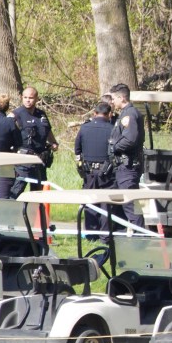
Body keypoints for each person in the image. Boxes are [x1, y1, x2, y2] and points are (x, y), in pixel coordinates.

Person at [74, 102, 116, 234]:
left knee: (90, 200)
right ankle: (105, 234)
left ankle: (92, 234)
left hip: (89, 171)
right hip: (107, 172)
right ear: (109, 114)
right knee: (106, 203)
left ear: (94, 113)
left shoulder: (84, 128)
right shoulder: (113, 129)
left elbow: (77, 149)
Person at [9, 87, 59, 198]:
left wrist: (54, 143)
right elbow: (7, 134)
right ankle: (11, 213)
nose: (28, 100)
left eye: (31, 98)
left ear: (36, 99)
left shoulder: (41, 114)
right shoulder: (16, 115)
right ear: (22, 98)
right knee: (16, 191)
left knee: (38, 194)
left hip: (40, 160)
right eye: (25, 97)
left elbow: (48, 131)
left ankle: (35, 215)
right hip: (23, 160)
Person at [108, 84, 145, 230]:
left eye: (113, 98)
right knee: (120, 203)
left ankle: (141, 237)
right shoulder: (125, 113)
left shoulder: (130, 114)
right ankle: (121, 234)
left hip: (128, 166)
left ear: (121, 97)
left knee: (129, 203)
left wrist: (114, 147)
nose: (112, 102)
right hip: (123, 167)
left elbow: (130, 139)